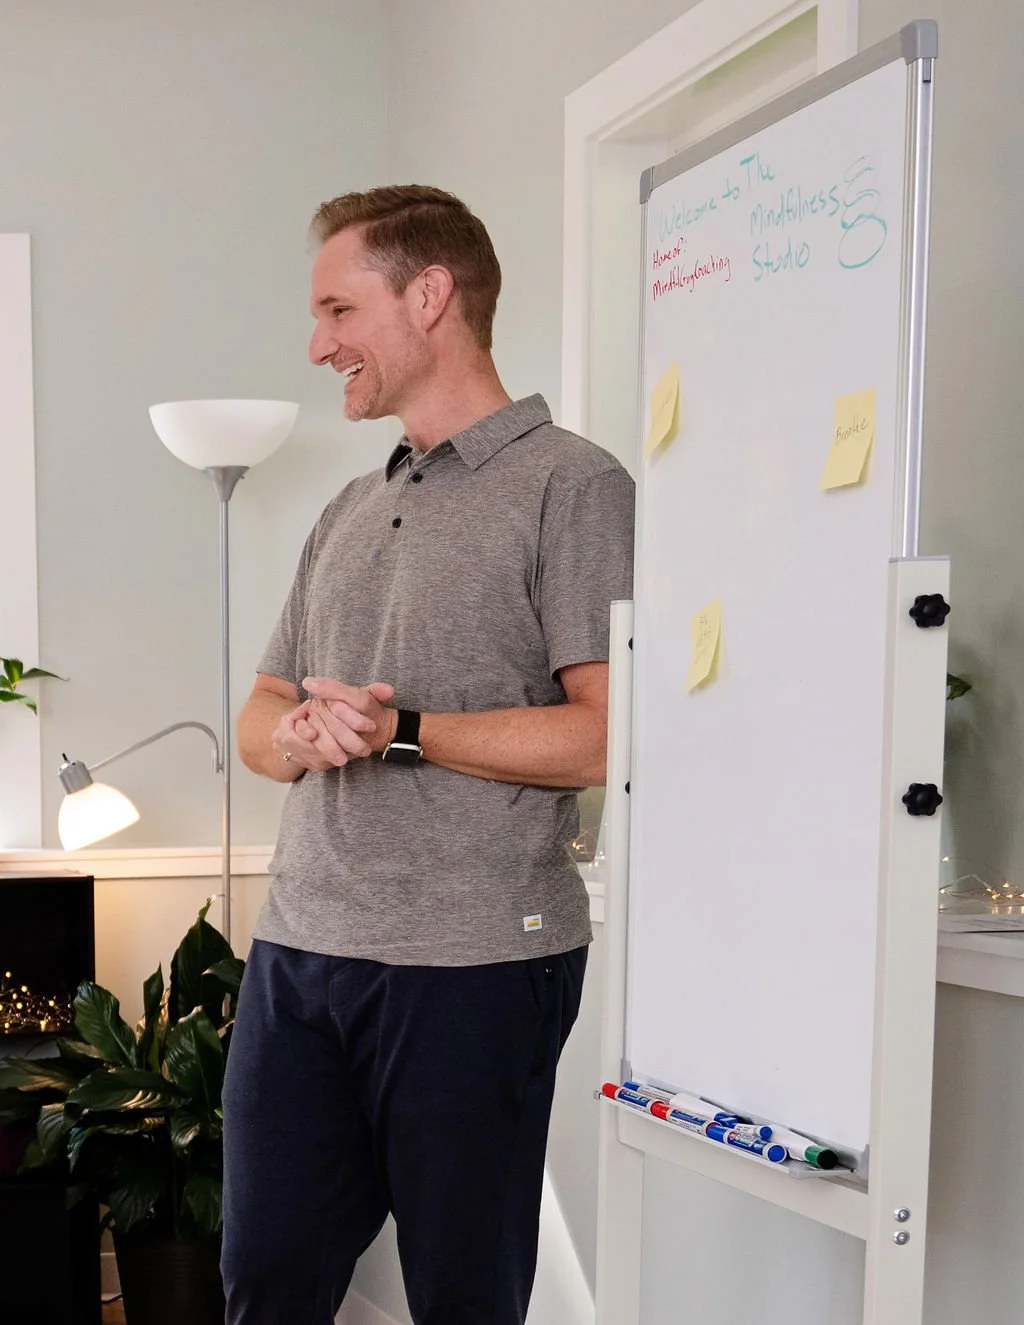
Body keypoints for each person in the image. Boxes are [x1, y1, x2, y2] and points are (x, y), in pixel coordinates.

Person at [221, 184, 635, 1325]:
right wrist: (299, 735)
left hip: (475, 964)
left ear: (430, 295)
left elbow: (609, 734)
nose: (319, 345)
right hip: (302, 948)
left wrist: (404, 731)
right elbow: (260, 714)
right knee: (265, 1282)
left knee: (463, 1295)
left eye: (338, 309)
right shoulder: (349, 506)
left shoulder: (572, 485)